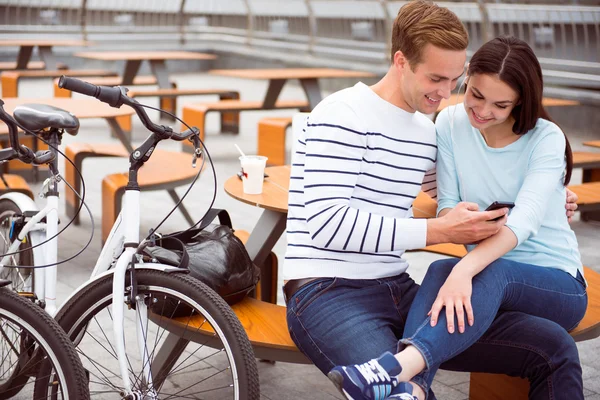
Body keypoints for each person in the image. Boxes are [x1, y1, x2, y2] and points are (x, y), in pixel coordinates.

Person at [283, 1, 581, 399]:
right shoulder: (342, 113)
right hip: (328, 290)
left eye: (455, 80)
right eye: (436, 78)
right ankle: (408, 384)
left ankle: (407, 378)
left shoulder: (427, 130)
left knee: (550, 345)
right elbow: (328, 223)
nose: (445, 93)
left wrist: (547, 198)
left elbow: (457, 198)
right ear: (401, 60)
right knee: (399, 393)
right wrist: (438, 229)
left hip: (397, 287)